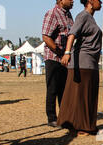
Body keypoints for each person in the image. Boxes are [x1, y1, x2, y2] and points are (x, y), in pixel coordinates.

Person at [58, 0, 103, 136]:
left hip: (90, 63)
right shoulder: (83, 16)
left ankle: (84, 125)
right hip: (82, 63)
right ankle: (79, 127)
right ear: (90, 1)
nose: (100, 2)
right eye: (98, 0)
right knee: (80, 96)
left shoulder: (90, 18)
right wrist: (67, 53)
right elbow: (72, 34)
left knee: (86, 95)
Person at [42, 0, 74, 128]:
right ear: (60, 1)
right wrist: (59, 51)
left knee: (64, 89)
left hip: (65, 58)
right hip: (54, 57)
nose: (72, 1)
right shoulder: (52, 14)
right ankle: (52, 118)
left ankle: (64, 116)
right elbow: (46, 36)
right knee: (53, 88)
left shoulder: (69, 15)